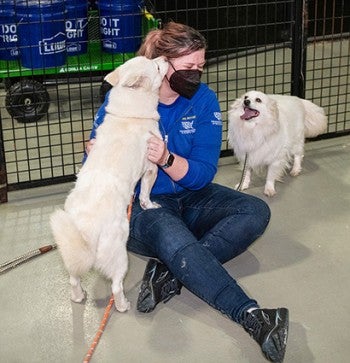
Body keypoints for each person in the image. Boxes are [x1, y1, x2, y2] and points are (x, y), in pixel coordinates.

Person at [85, 21, 289, 363]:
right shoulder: (124, 97)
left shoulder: (204, 100)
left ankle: (170, 271)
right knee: (171, 234)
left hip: (189, 193)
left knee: (255, 211)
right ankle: (253, 317)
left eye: (200, 66)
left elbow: (202, 175)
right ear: (163, 64)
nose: (196, 74)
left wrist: (165, 157)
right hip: (141, 204)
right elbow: (93, 164)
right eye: (188, 67)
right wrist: (93, 151)